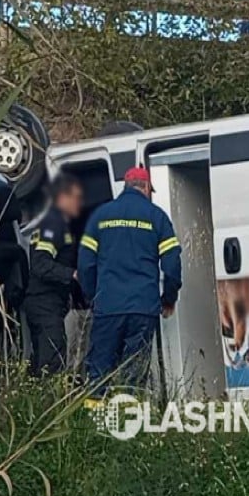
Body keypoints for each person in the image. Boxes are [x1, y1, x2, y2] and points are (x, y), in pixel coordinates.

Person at [77, 166, 182, 395]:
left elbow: (85, 265)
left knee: (99, 373)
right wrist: (169, 299)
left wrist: (93, 297)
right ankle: (128, 414)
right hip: (143, 308)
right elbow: (172, 265)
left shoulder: (100, 216)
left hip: (108, 306)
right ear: (146, 188)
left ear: (125, 186)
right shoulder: (157, 216)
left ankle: (95, 416)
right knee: (134, 375)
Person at [25, 173, 85, 377]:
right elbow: (40, 264)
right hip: (44, 303)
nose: (79, 202)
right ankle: (47, 396)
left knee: (45, 360)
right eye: (76, 197)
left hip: (48, 304)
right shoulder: (52, 224)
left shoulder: (58, 224)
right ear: (62, 197)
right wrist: (72, 274)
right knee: (51, 362)